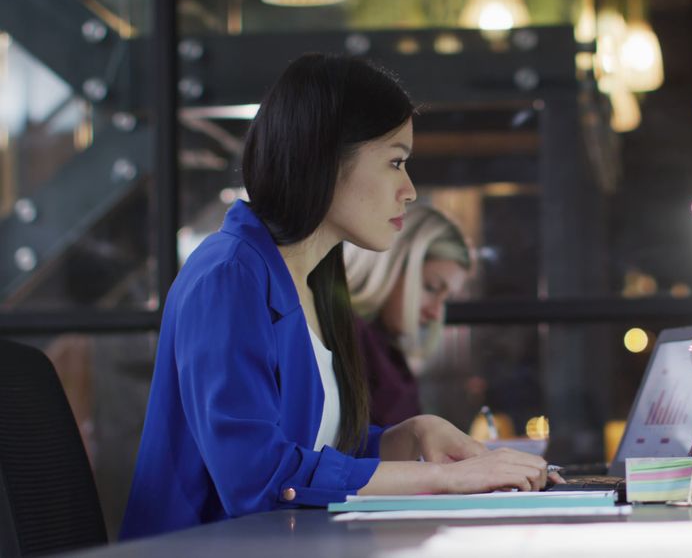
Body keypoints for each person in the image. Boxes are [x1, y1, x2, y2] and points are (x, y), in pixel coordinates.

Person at [121, 53, 552, 540]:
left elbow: (312, 452)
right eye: (395, 161)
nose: (409, 190)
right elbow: (258, 478)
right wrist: (445, 478)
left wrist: (402, 437)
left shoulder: (315, 281)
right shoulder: (228, 274)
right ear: (324, 157)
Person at [344, 205, 471, 426]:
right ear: (389, 267)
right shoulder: (348, 340)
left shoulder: (386, 347)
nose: (436, 313)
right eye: (430, 287)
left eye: (446, 299)